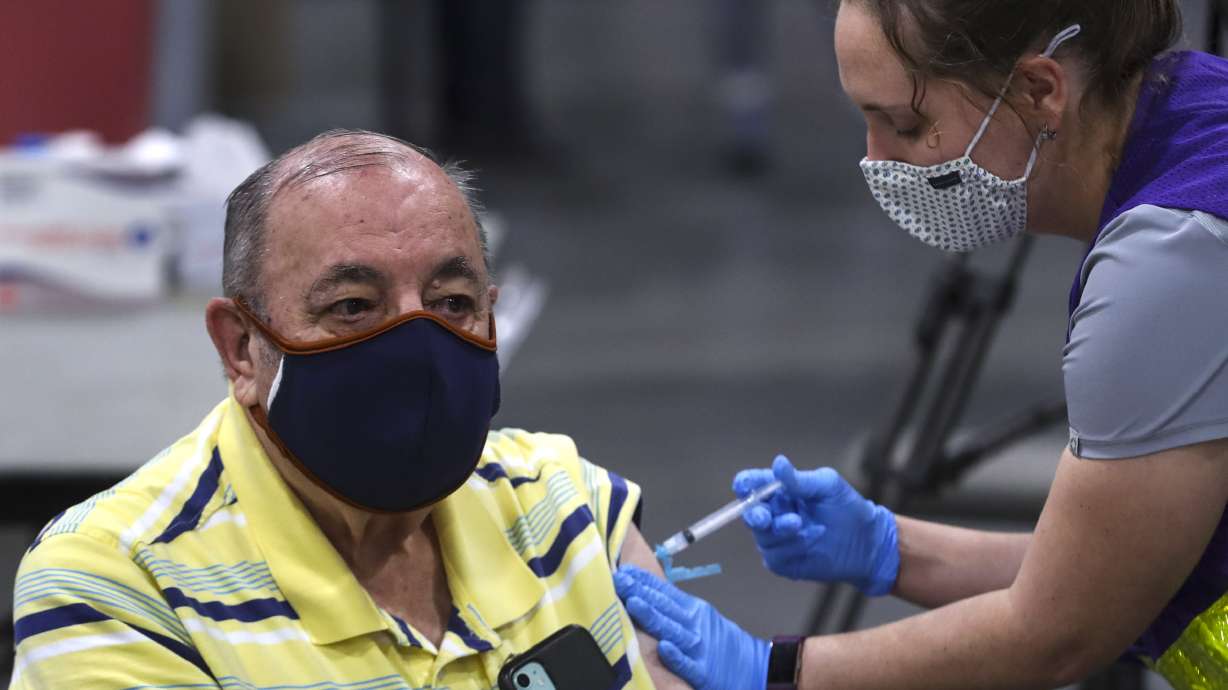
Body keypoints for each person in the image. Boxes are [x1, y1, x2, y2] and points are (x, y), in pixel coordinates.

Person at [614, 1, 1228, 689]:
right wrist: (889, 548)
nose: (876, 161)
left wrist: (776, 671)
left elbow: (1061, 631)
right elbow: (1114, 566)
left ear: (1039, 91)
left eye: (906, 123)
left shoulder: (1173, 261)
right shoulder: (1195, 107)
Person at [7, 130, 688, 690]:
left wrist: (792, 666)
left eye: (453, 302)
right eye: (353, 307)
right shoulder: (118, 591)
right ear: (242, 348)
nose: (418, 348)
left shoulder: (562, 506)